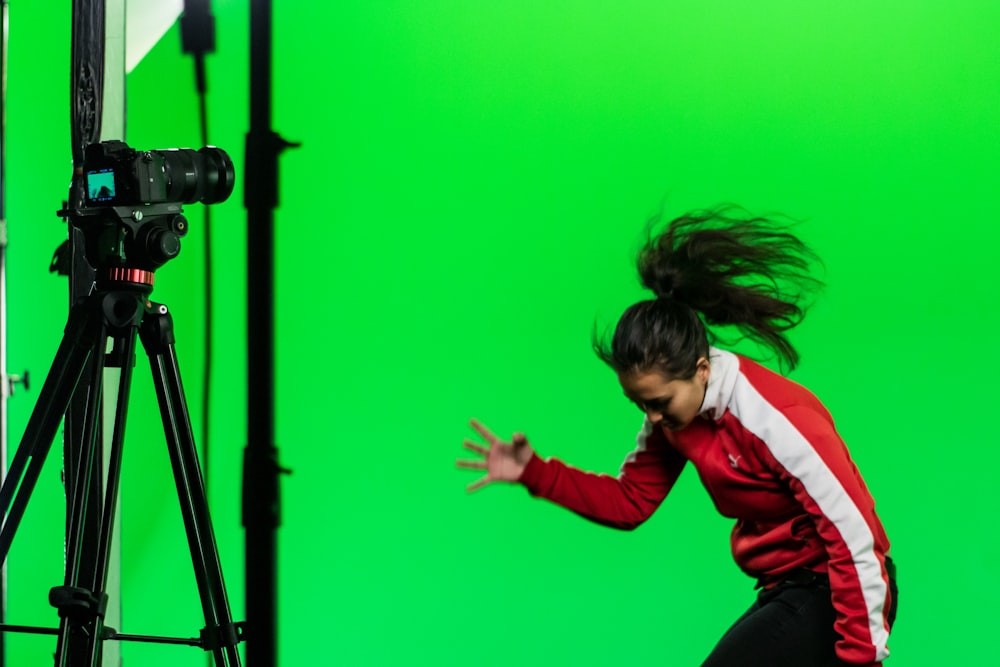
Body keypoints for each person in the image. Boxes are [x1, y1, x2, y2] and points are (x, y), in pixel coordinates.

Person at [456, 205, 896, 666]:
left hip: (839, 587)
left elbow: (853, 536)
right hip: (786, 589)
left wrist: (861, 657)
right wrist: (535, 473)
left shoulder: (773, 418)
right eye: (639, 404)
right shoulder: (675, 420)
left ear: (702, 369)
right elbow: (630, 501)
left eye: (660, 402)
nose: (652, 417)